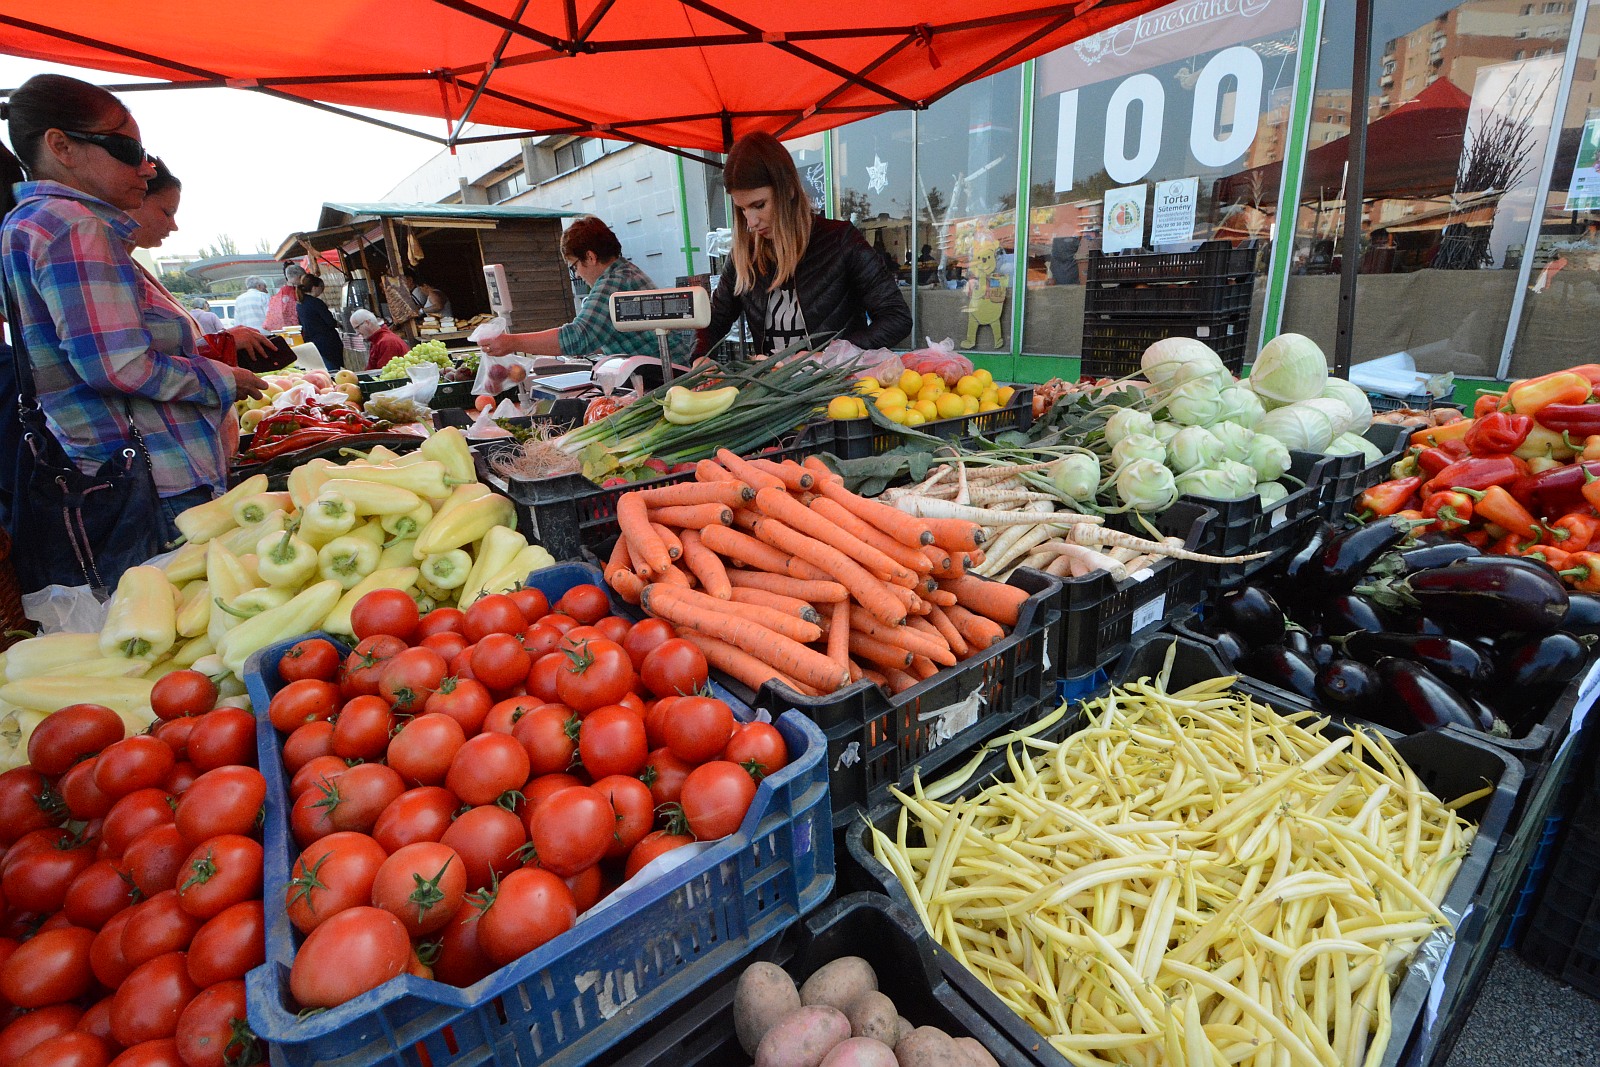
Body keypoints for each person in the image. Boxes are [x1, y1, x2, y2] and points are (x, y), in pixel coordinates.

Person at [0, 73, 265, 590]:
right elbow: (119, 365)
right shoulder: (72, 225)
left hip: (116, 476)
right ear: (61, 146)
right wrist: (221, 379)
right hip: (154, 484)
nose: (145, 166)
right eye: (127, 148)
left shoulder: (28, 223)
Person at [693, 132, 910, 359]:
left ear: (789, 190)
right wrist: (700, 358)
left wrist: (828, 356)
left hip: (838, 388)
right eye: (742, 209)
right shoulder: (744, 255)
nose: (751, 222)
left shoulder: (840, 241)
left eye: (759, 205)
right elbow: (713, 321)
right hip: (772, 390)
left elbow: (896, 318)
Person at [123, 158, 276, 370]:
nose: (173, 226)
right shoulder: (108, 272)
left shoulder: (132, 269)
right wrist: (222, 351)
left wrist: (223, 341)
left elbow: (173, 352)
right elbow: (132, 367)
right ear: (133, 199)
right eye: (167, 212)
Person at [480, 216, 693, 361]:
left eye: (574, 267)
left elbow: (579, 337)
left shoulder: (613, 283)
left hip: (666, 379)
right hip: (668, 371)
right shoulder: (627, 272)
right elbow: (599, 335)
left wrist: (512, 342)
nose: (578, 275)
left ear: (590, 257)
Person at [296, 275, 343, 370]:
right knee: (332, 369)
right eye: (321, 288)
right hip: (326, 342)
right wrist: (339, 324)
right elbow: (330, 322)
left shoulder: (300, 304)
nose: (322, 291)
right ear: (314, 288)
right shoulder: (316, 303)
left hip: (311, 342)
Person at [264, 261, 304, 331]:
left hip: (280, 331)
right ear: (300, 277)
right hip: (297, 331)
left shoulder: (276, 296)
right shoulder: (297, 293)